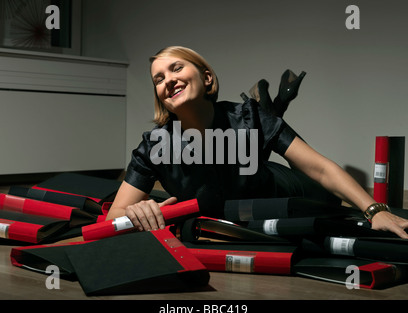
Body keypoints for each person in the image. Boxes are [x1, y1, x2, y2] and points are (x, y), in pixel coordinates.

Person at [106, 46, 408, 239]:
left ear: (207, 78)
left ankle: (271, 112)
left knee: (326, 201)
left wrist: (373, 209)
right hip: (230, 210)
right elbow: (114, 216)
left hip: (281, 190)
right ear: (159, 95)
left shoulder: (247, 118)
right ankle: (274, 109)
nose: (167, 80)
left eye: (176, 68)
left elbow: (320, 169)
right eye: (158, 79)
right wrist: (134, 213)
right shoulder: (153, 147)